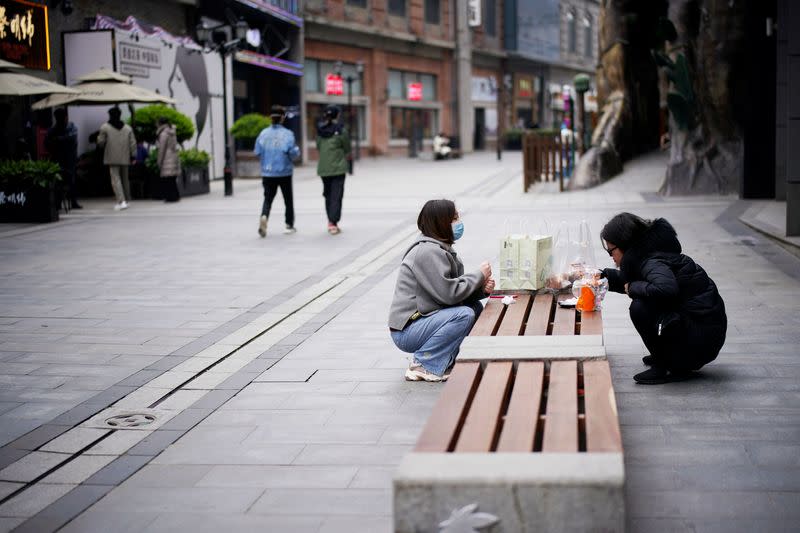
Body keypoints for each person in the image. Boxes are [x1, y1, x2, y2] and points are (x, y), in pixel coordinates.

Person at [600, 213, 727, 384]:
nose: (610, 256)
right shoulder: (648, 255)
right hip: (702, 334)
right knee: (645, 299)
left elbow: (665, 288)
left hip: (700, 342)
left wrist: (632, 288)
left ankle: (666, 366)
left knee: (640, 308)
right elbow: (638, 280)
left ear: (625, 245)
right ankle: (668, 356)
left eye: (611, 250)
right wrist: (603, 276)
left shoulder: (652, 262)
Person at [388, 199, 495, 382]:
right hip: (407, 330)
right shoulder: (427, 252)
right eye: (453, 219)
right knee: (463, 315)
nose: (458, 223)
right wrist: (478, 275)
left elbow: (449, 293)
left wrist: (480, 290)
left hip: (425, 319)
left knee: (474, 307)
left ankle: (444, 360)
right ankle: (423, 364)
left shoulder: (439, 249)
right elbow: (448, 294)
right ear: (440, 223)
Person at [254, 105, 301, 237]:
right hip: (284, 171)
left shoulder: (263, 134)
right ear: (282, 118)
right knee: (288, 199)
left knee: (268, 198)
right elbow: (293, 153)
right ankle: (289, 225)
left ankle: (264, 216)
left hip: (267, 172)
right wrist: (297, 152)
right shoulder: (288, 134)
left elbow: (257, 151)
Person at [315, 105, 351, 235]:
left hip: (324, 168)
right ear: (337, 115)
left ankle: (330, 221)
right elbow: (347, 148)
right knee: (336, 195)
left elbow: (318, 146)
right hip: (338, 168)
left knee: (328, 195)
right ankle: (333, 223)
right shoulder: (341, 130)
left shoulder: (320, 130)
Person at [96, 107, 136, 211]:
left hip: (112, 157)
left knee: (115, 179)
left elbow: (100, 142)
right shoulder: (128, 128)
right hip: (125, 157)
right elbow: (133, 143)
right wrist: (133, 156)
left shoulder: (105, 127)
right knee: (125, 179)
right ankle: (126, 200)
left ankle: (121, 201)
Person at [45, 108, 81, 209]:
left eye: (62, 117)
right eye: (58, 118)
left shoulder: (71, 127)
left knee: (71, 180)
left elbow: (72, 138)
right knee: (58, 181)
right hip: (58, 159)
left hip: (69, 158)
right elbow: (47, 143)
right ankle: (59, 202)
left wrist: (58, 139)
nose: (61, 120)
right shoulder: (53, 130)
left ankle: (73, 201)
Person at [156, 117, 181, 203]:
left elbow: (161, 149)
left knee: (167, 180)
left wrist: (159, 161)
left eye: (157, 122)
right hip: (173, 156)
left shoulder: (164, 134)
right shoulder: (172, 131)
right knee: (172, 179)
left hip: (167, 158)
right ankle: (175, 196)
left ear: (160, 123)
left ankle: (170, 197)